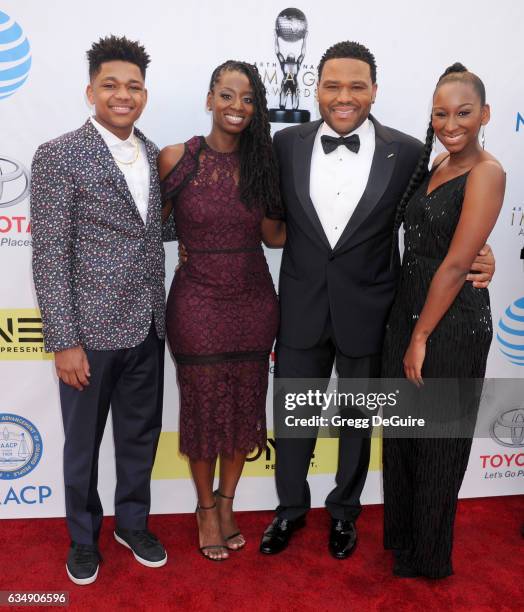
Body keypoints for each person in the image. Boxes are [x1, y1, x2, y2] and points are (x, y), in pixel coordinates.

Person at [259, 42, 495, 560]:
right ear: (316, 89)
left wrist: (483, 253)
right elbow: (268, 220)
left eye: (357, 86)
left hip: (374, 311)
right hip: (300, 305)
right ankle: (290, 509)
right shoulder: (284, 145)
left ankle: (344, 513)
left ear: (374, 91)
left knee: (356, 423)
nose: (345, 96)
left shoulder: (410, 151)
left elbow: (437, 216)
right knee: (293, 418)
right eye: (333, 85)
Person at [31, 36, 167, 585]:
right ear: (91, 91)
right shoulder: (58, 153)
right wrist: (63, 340)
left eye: (133, 86)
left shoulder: (155, 154)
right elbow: (48, 253)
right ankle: (83, 536)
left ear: (144, 94)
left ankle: (132, 523)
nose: (122, 94)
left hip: (147, 327)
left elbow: (158, 230)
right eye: (111, 84)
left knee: (141, 435)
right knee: (83, 444)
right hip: (87, 334)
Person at [381, 63, 505, 578]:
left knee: (438, 443)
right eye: (441, 113)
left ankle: (429, 557)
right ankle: (405, 538)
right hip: (407, 311)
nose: (451, 123)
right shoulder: (435, 165)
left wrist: (421, 337)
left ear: (485, 114)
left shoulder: (488, 172)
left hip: (448, 325)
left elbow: (456, 265)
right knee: (405, 437)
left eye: (463, 112)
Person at [158, 60, 284, 561]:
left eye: (248, 99)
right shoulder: (176, 157)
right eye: (227, 96)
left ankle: (228, 504)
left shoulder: (263, 163)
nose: (237, 107)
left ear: (257, 109)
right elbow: (149, 226)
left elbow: (274, 236)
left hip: (254, 300)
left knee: (244, 410)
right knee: (204, 411)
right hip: (196, 303)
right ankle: (205, 508)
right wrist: (190, 247)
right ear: (210, 98)